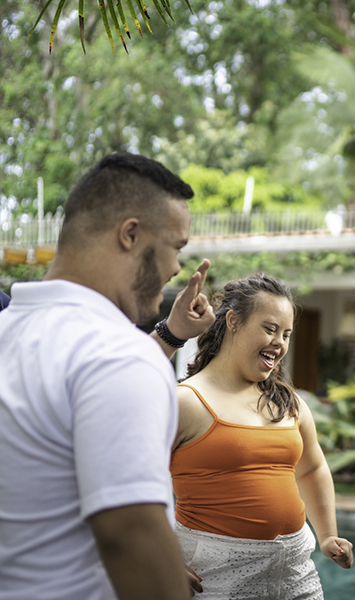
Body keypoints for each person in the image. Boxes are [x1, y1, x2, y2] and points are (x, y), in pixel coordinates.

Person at [0, 153, 215, 600]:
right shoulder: (120, 355)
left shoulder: (10, 332)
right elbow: (129, 539)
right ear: (131, 234)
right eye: (176, 246)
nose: (177, 267)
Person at [171, 273, 353, 599]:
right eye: (270, 329)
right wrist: (162, 554)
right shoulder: (186, 401)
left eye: (287, 334)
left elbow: (311, 469)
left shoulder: (288, 403)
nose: (280, 342)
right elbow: (136, 483)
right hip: (216, 576)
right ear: (233, 322)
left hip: (295, 572)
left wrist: (327, 535)